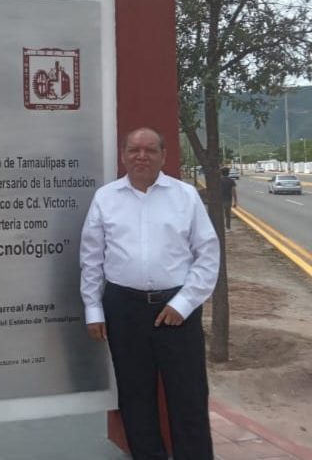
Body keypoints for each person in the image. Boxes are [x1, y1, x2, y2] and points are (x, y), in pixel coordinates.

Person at [80, 127, 219, 460]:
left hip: (176, 311)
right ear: (123, 155)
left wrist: (184, 303)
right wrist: (93, 309)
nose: (141, 156)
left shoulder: (185, 196)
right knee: (135, 397)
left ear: (163, 155)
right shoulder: (106, 198)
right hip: (124, 309)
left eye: (150, 150)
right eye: (134, 150)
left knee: (188, 396)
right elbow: (91, 258)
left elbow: (208, 254)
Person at [220, 167, 238, 231]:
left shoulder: (218, 180)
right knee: (228, 215)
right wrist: (235, 201)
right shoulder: (231, 181)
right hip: (228, 200)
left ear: (221, 173)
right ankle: (228, 227)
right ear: (228, 173)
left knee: (221, 215)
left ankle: (222, 228)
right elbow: (234, 191)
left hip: (220, 200)